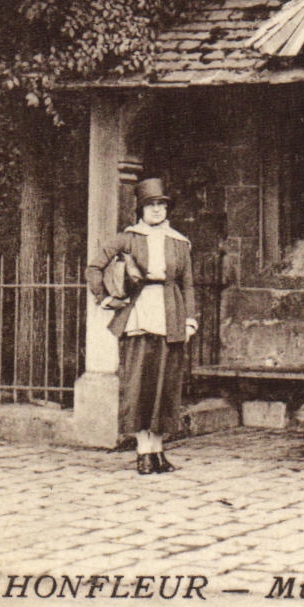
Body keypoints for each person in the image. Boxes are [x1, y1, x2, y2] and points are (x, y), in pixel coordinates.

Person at [86, 177, 197, 474]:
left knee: (165, 385)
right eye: (151, 205)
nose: (157, 210)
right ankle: (143, 452)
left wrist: (190, 320)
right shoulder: (128, 239)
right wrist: (104, 298)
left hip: (170, 315)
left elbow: (187, 284)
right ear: (141, 210)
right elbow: (94, 267)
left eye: (162, 205)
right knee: (139, 384)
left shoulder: (179, 242)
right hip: (138, 315)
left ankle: (158, 451)